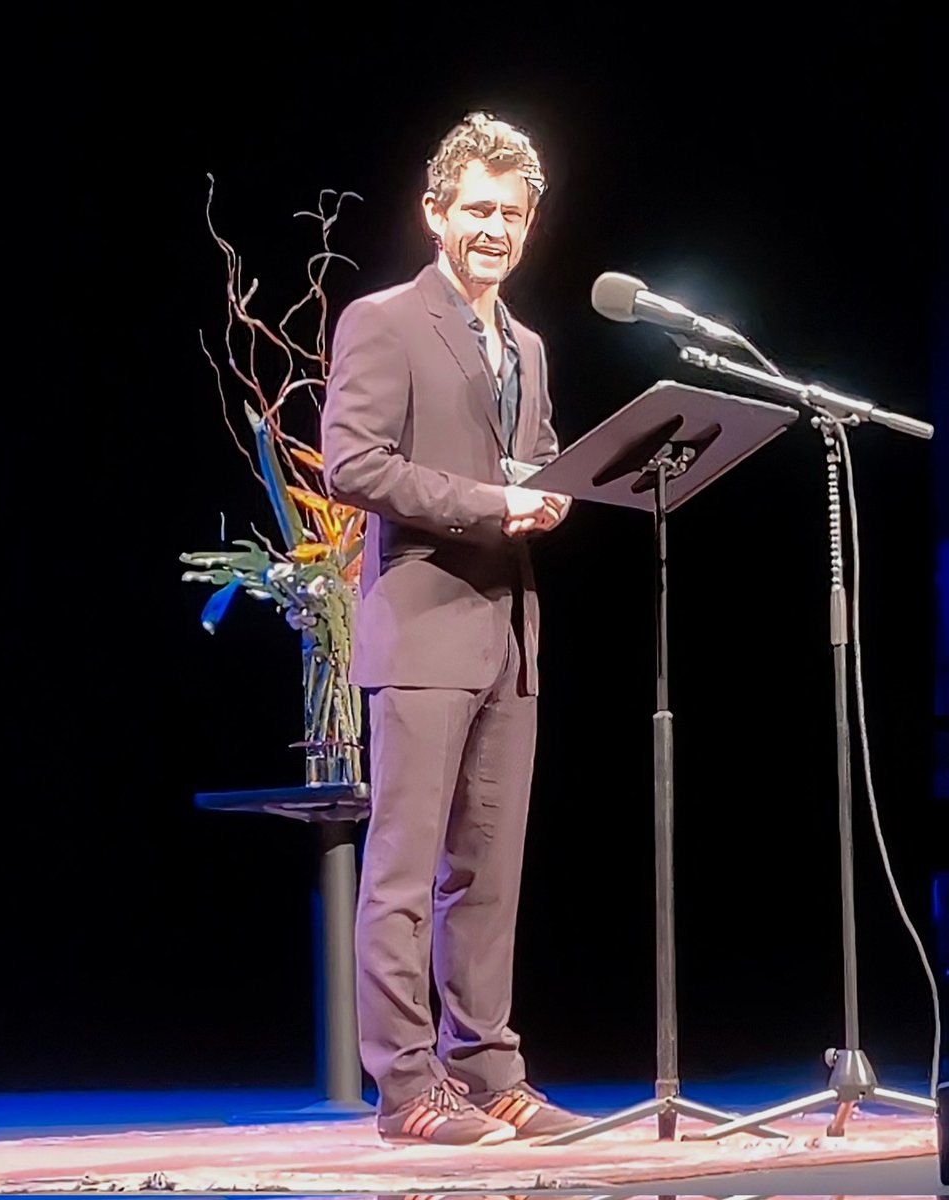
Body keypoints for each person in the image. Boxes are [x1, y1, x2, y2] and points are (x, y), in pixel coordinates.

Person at [322, 112, 585, 1146]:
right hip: (425, 623)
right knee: (403, 872)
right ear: (436, 214)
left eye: (513, 214)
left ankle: (488, 1068)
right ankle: (407, 1087)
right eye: (478, 208)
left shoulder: (527, 341)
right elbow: (355, 465)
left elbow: (537, 451)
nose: (496, 228)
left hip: (508, 634)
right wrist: (492, 504)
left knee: (489, 873)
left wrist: (561, 487)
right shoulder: (384, 321)